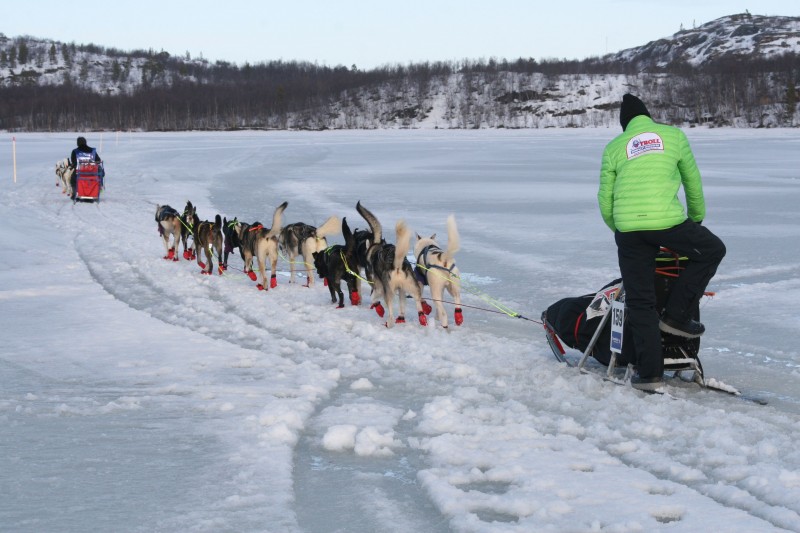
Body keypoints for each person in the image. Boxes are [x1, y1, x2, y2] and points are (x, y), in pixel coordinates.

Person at [597, 93, 726, 392]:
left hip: (628, 230)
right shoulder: (673, 136)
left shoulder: (615, 147)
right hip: (667, 222)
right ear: (648, 116)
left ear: (624, 124)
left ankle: (650, 375)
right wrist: (696, 219)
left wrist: (621, 229)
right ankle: (677, 316)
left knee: (641, 301)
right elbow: (692, 182)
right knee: (712, 250)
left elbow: (605, 199)